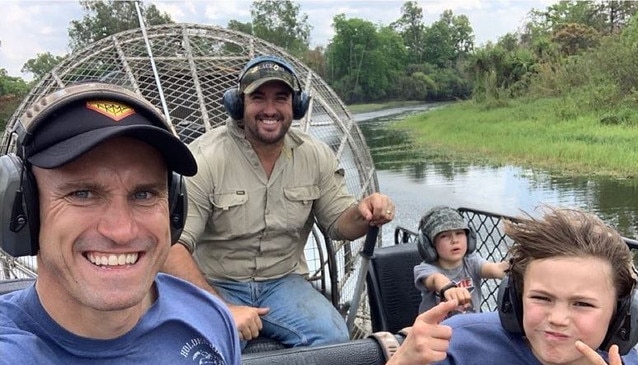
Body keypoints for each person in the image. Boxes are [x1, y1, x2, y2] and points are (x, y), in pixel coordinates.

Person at [162, 54, 395, 349]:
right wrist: (224, 309)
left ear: (295, 106)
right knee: (200, 349)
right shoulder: (204, 158)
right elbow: (172, 246)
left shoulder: (316, 156)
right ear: (238, 104)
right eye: (258, 98)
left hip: (283, 282)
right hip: (216, 282)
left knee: (334, 340)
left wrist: (366, 212)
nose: (270, 109)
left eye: (281, 98)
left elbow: (340, 224)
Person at [0, 82, 240, 364]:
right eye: (82, 193)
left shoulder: (210, 316)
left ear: (174, 208)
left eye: (144, 194)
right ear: (22, 209)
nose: (122, 231)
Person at [435, 207, 638, 365]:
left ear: (620, 315)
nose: (557, 319)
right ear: (515, 298)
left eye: (582, 303)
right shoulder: (455, 344)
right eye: (541, 298)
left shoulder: (625, 361)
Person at [413, 206, 508, 316]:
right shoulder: (425, 269)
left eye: (459, 233)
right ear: (429, 245)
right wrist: (448, 288)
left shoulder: (472, 262)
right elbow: (435, 279)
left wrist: (511, 269)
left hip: (470, 326)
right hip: (437, 329)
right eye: (444, 236)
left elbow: (494, 269)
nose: (454, 240)